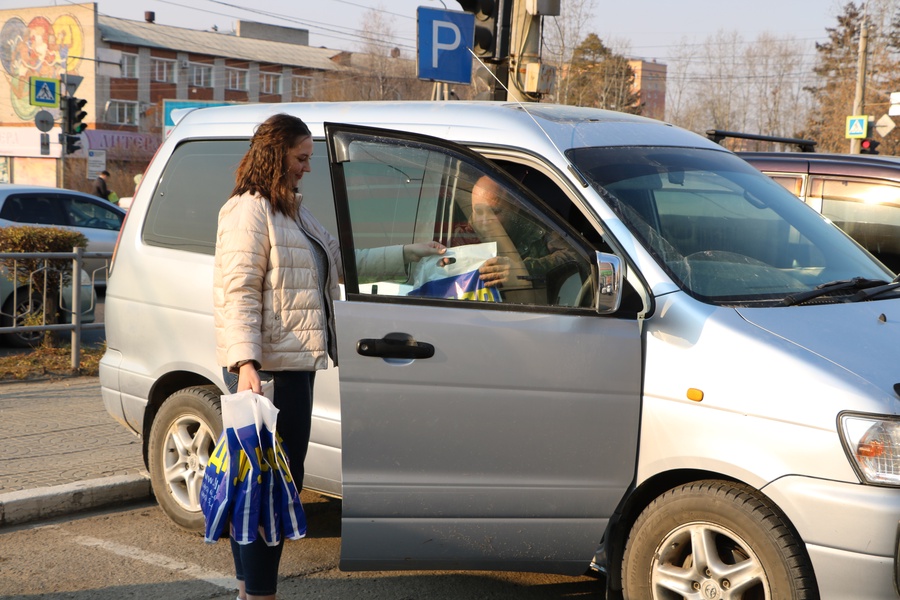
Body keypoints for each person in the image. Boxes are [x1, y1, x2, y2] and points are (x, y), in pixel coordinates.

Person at [213, 113, 444, 600]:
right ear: (276, 155)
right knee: (269, 493)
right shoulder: (248, 211)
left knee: (264, 489)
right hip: (268, 374)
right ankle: (258, 594)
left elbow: (338, 262)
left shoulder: (291, 212)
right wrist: (246, 365)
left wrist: (409, 253)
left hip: (291, 370)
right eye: (301, 158)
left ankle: (246, 591)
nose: (307, 168)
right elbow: (238, 292)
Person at [466, 175, 579, 298]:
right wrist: (443, 263)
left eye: (495, 211)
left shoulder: (540, 224)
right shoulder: (463, 233)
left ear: (515, 206)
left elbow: (575, 257)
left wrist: (524, 271)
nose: (485, 220)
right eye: (478, 211)